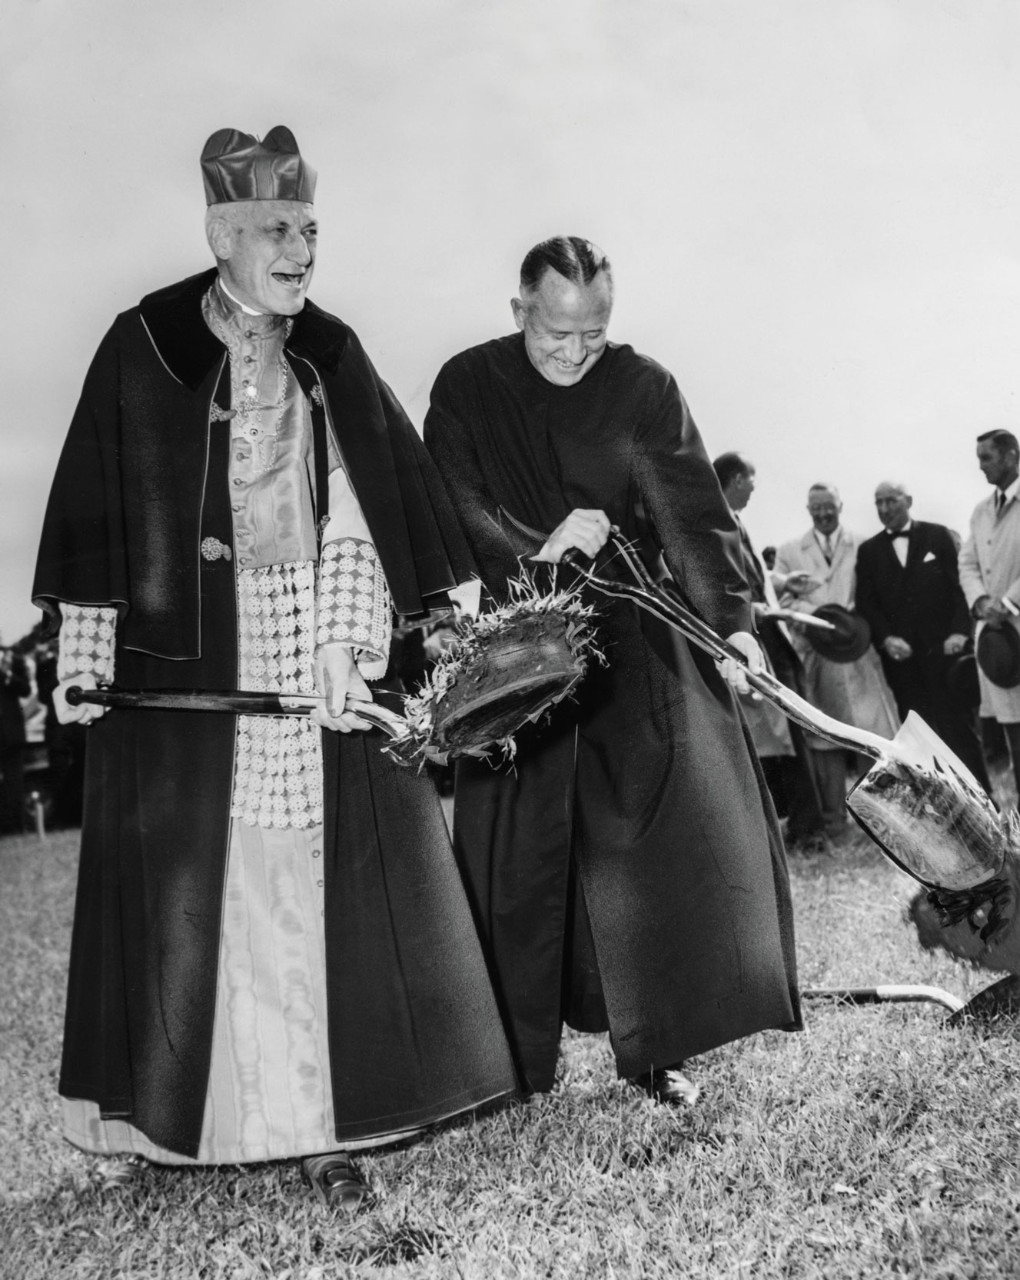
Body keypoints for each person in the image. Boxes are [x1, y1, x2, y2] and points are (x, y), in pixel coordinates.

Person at [32, 126, 515, 1207]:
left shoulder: (333, 351)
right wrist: (86, 652)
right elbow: (99, 518)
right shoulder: (140, 344)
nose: (300, 248)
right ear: (220, 234)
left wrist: (348, 644)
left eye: (309, 229)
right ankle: (190, 1125)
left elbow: (364, 512)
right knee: (199, 890)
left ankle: (311, 1123)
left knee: (295, 878)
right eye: (276, 230)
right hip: (178, 661)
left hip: (302, 635)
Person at [423, 236, 801, 1105]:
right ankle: (508, 1067)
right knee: (517, 861)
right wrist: (538, 547)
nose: (574, 353)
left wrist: (732, 629)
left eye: (593, 335)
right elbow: (453, 499)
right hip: (518, 657)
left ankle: (658, 1049)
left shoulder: (643, 387)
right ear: (518, 310)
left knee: (650, 846)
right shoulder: (467, 385)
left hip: (631, 646)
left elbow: (692, 517)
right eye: (556, 334)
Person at [774, 484, 899, 837]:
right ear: (808, 509)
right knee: (823, 739)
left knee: (871, 735)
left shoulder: (863, 544)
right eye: (817, 508)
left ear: (840, 505)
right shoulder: (788, 552)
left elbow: (875, 596)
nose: (824, 514)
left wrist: (851, 626)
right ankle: (834, 822)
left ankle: (881, 821)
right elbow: (782, 603)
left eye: (829, 506)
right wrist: (820, 617)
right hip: (818, 656)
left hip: (859, 655)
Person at [712, 453, 825, 844]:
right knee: (780, 738)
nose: (756, 488)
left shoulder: (733, 521)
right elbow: (725, 587)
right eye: (752, 479)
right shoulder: (715, 523)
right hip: (755, 641)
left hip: (770, 640)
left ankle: (805, 827)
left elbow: (752, 576)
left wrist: (784, 581)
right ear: (737, 479)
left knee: (790, 734)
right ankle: (801, 829)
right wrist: (761, 611)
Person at [855, 481, 990, 791]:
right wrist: (886, 639)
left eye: (892, 500)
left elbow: (961, 588)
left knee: (961, 731)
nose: (885, 509)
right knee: (921, 737)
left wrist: (959, 632)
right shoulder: (869, 551)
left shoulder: (938, 536)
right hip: (904, 665)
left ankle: (985, 802)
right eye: (879, 502)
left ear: (909, 501)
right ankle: (942, 808)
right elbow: (867, 604)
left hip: (946, 657)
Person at [959, 430, 1020, 799]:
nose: (980, 466)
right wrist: (981, 600)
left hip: (1014, 620)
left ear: (1011, 456)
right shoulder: (981, 511)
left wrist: (1009, 602)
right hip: (999, 643)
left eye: (987, 458)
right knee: (1014, 732)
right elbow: (966, 561)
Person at [0, 642, 30, 834]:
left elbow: (25, 690)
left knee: (14, 783)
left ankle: (16, 827)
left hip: (10, 734)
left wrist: (7, 675)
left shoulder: (14, 660)